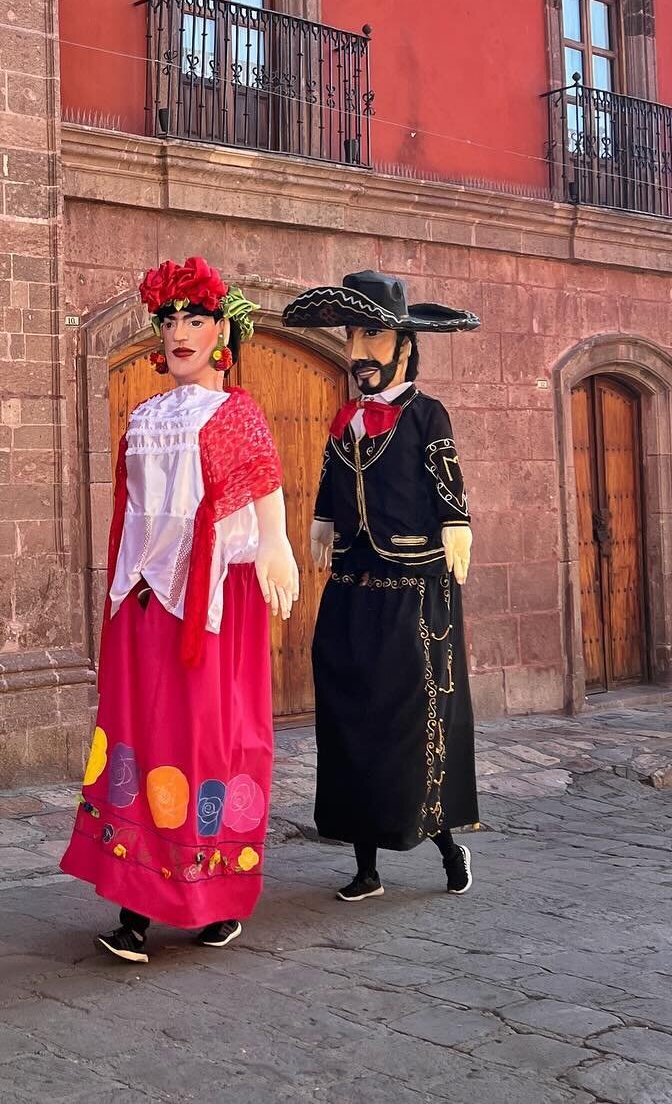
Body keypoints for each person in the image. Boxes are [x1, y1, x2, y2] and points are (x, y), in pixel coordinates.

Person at [63, 257, 299, 963]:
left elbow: (263, 485)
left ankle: (213, 898)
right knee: (139, 742)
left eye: (194, 320)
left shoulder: (237, 414)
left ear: (223, 331)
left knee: (204, 744)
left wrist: (278, 544)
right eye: (169, 321)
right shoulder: (144, 416)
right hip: (143, 606)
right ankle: (134, 905)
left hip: (212, 610)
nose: (179, 333)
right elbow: (132, 512)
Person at [282, 270, 480, 902]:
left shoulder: (427, 415)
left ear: (402, 343)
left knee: (414, 725)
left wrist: (457, 525)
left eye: (372, 335)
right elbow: (330, 480)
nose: (358, 351)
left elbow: (446, 481)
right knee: (350, 721)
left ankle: (446, 841)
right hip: (350, 591)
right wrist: (319, 519)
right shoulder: (344, 421)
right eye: (352, 336)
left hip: (414, 595)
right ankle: (365, 867)